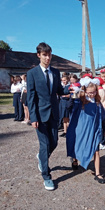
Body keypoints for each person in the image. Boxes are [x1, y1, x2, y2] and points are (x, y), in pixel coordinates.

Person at [27, 42, 64, 191]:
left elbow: (59, 90)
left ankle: (42, 157)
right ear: (39, 55)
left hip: (54, 113)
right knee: (45, 144)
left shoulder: (55, 72)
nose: (47, 58)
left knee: (54, 141)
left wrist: (74, 91)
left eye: (49, 55)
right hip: (40, 115)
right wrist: (33, 118)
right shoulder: (32, 73)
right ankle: (46, 176)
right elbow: (30, 97)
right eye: (44, 55)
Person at [66, 81, 105, 184]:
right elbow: (69, 107)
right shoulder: (80, 100)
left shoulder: (97, 102)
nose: (92, 94)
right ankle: (75, 160)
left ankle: (98, 173)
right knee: (77, 144)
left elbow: (102, 116)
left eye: (94, 92)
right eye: (89, 92)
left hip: (94, 129)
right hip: (82, 128)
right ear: (85, 91)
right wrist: (73, 96)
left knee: (96, 150)